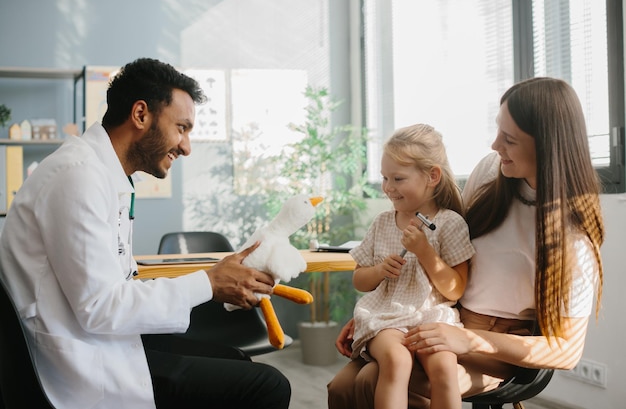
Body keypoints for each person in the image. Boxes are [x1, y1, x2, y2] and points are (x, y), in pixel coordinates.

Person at [0, 58, 290, 409]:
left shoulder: (104, 175)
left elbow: (116, 286)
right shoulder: (77, 176)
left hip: (100, 340)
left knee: (236, 360)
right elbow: (101, 306)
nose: (186, 146)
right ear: (140, 115)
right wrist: (209, 283)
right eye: (181, 127)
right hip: (79, 363)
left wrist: (212, 286)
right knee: (267, 385)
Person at [327, 77, 604, 409]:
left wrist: (470, 339)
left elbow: (567, 350)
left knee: (370, 382)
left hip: (495, 347)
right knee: (341, 387)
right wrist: (384, 311)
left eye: (509, 139)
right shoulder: (491, 171)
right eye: (498, 130)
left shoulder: (574, 239)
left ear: (546, 144)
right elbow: (445, 250)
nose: (494, 145)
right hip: (438, 318)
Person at [349, 124, 474, 409]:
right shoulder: (382, 223)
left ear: (432, 176)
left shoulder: (450, 224)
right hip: (386, 318)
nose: (388, 187)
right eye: (384, 178)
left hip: (432, 317)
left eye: (398, 178)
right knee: (397, 359)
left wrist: (425, 252)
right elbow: (359, 280)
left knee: (443, 366)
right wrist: (379, 271)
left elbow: (455, 290)